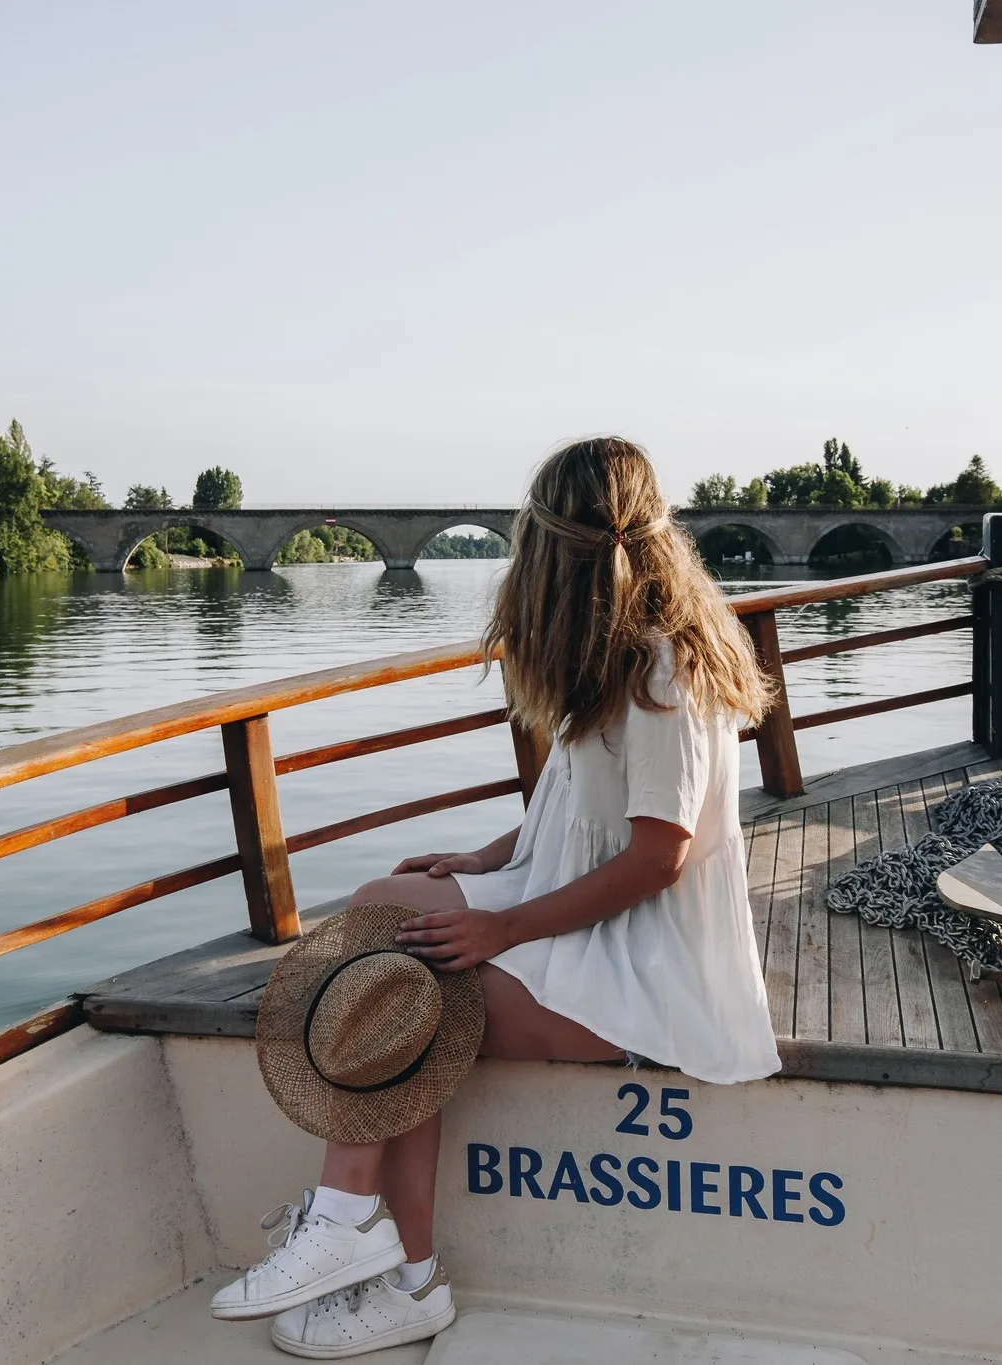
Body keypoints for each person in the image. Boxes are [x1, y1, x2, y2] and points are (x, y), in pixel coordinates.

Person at [211, 436, 781, 1358]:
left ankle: (380, 1249)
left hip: (644, 970)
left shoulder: (663, 670)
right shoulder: (616, 650)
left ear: (565, 551)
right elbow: (583, 813)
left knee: (414, 984)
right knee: (381, 900)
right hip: (577, 915)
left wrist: (498, 927)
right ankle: (364, 1241)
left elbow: (655, 860)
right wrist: (482, 859)